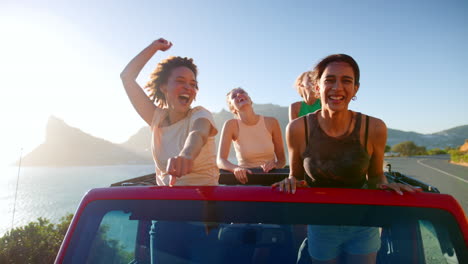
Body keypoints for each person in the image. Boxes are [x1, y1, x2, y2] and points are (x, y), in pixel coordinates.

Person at [273, 54, 422, 264]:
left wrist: (389, 188)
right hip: (321, 225)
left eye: (346, 80)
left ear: (356, 89)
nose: (337, 87)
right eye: (330, 80)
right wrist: (289, 182)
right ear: (317, 87)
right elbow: (296, 177)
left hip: (363, 223)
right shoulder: (298, 129)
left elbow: (376, 176)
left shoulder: (374, 128)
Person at [120, 38, 218, 186]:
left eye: (193, 84)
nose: (188, 87)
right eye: (180, 81)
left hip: (204, 203)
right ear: (163, 87)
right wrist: (154, 47)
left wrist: (186, 155)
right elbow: (126, 77)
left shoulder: (200, 115)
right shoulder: (156, 118)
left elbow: (198, 134)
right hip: (166, 202)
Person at [217, 87, 286, 184]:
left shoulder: (272, 122)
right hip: (246, 179)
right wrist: (235, 168)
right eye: (234, 96)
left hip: (271, 178)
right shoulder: (231, 125)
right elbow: (220, 160)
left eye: (242, 92)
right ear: (232, 108)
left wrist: (275, 165)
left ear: (250, 99)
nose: (239, 95)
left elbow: (282, 160)